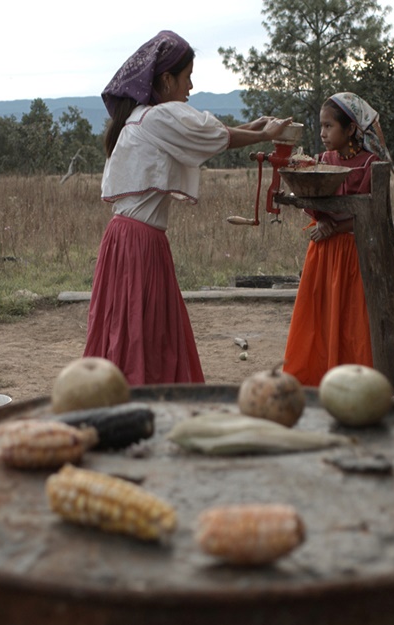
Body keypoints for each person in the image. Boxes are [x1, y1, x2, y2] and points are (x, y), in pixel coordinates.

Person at [84, 30, 293, 386]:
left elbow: (206, 135)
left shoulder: (139, 118)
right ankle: (143, 397)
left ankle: (121, 394)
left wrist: (249, 129)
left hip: (124, 240)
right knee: (144, 330)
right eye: (186, 77)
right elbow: (210, 135)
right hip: (139, 245)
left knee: (130, 326)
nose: (191, 86)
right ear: (166, 80)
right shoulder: (157, 117)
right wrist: (262, 134)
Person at [282, 92, 394, 387]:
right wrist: (321, 220)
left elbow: (371, 212)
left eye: (329, 126)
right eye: (321, 126)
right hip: (322, 253)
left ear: (351, 129)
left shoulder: (371, 164)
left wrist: (336, 226)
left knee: (350, 321)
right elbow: (310, 198)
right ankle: (314, 380)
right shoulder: (319, 161)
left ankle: (352, 384)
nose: (322, 133)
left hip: (353, 255)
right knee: (318, 319)